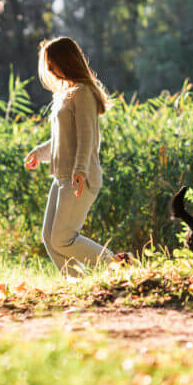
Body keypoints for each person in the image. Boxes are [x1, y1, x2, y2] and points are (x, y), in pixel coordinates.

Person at [24, 36, 127, 275]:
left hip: (80, 177)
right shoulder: (65, 94)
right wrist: (39, 154)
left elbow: (86, 137)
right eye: (47, 65)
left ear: (67, 61)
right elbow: (61, 140)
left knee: (63, 239)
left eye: (53, 63)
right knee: (50, 239)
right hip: (62, 178)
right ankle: (78, 282)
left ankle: (117, 265)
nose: (50, 69)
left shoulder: (83, 92)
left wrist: (80, 170)